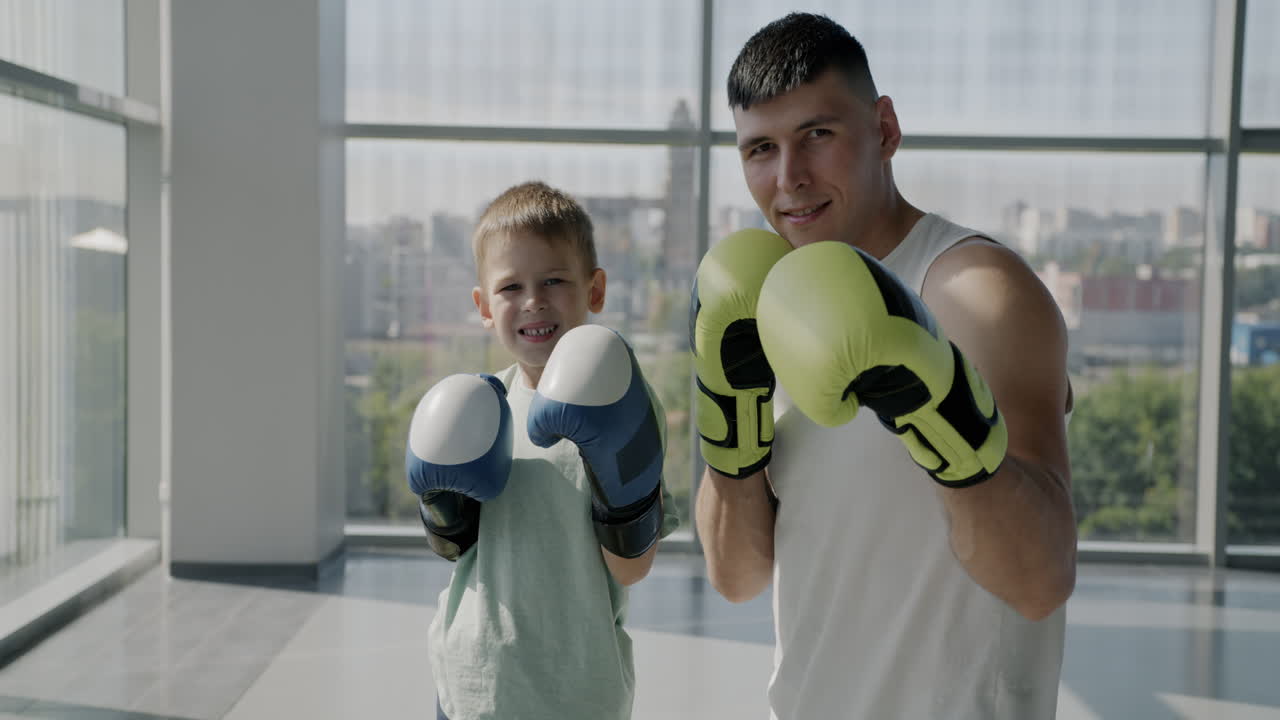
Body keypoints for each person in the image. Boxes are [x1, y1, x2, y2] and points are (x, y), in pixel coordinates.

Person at [691, 13, 1077, 719]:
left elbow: (1041, 581)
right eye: (760, 150)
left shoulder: (974, 289)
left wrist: (934, 406)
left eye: (818, 135)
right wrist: (730, 407)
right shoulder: (769, 301)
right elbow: (737, 576)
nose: (789, 179)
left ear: (885, 130)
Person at [405, 181, 680, 720]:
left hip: (576, 692)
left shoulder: (622, 397)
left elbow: (631, 569)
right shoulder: (480, 407)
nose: (533, 301)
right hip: (471, 685)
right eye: (511, 287)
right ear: (484, 306)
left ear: (594, 290)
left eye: (554, 280)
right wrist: (441, 508)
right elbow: (455, 552)